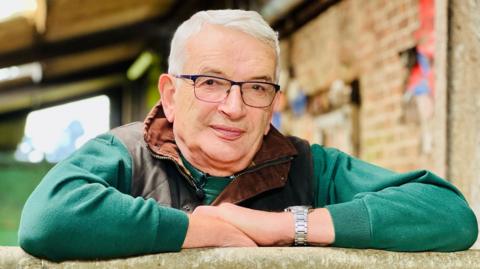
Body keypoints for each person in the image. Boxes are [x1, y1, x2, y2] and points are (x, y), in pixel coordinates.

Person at [18, 9, 477, 261]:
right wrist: (198, 229)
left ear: (273, 102)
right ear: (171, 95)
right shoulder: (126, 152)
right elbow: (49, 219)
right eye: (211, 82)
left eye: (256, 87)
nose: (234, 108)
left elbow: (449, 214)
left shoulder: (309, 165)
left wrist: (284, 228)